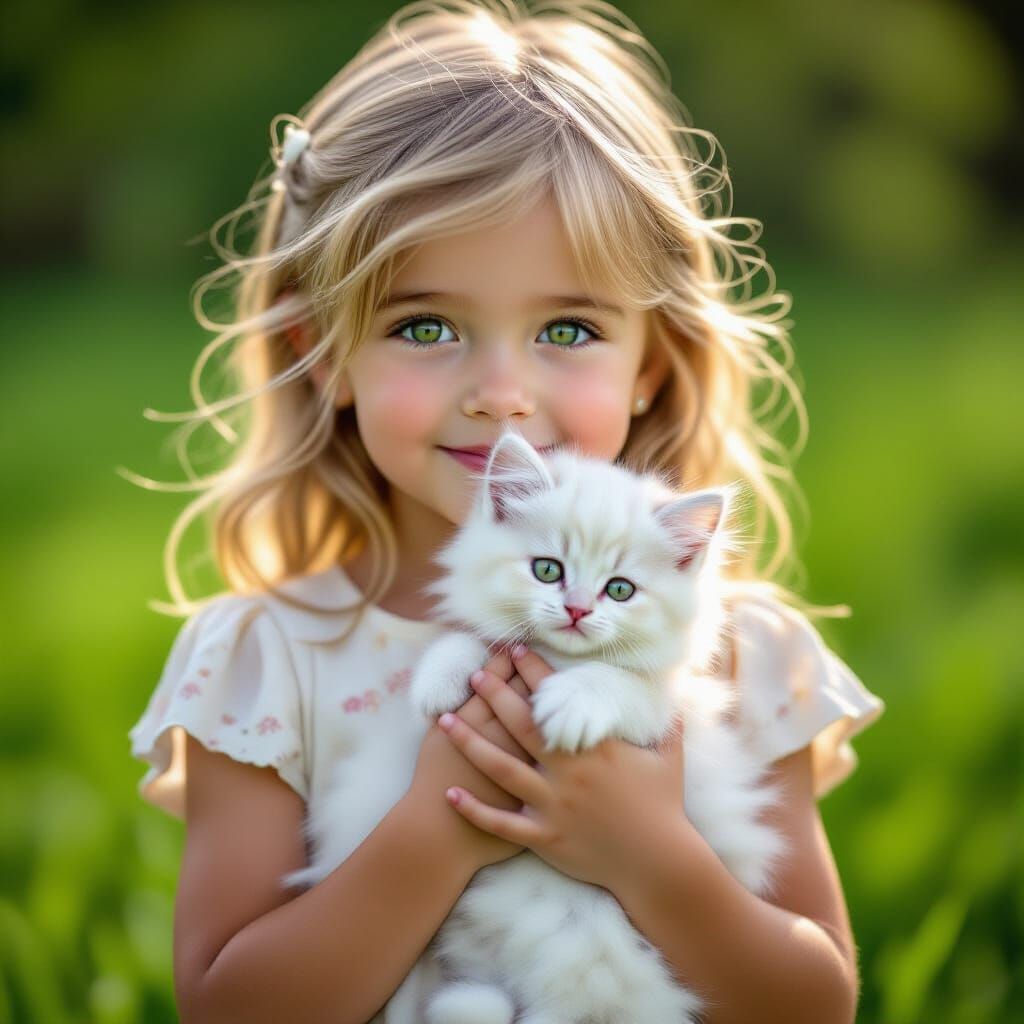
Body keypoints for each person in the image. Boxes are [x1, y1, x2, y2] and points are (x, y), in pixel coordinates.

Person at [127, 1, 885, 1021]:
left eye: (567, 327)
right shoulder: (271, 656)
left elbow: (811, 1005)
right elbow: (230, 1007)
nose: (500, 390)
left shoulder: (742, 657)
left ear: (650, 365)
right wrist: (447, 823)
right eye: (425, 323)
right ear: (324, 353)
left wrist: (650, 853)